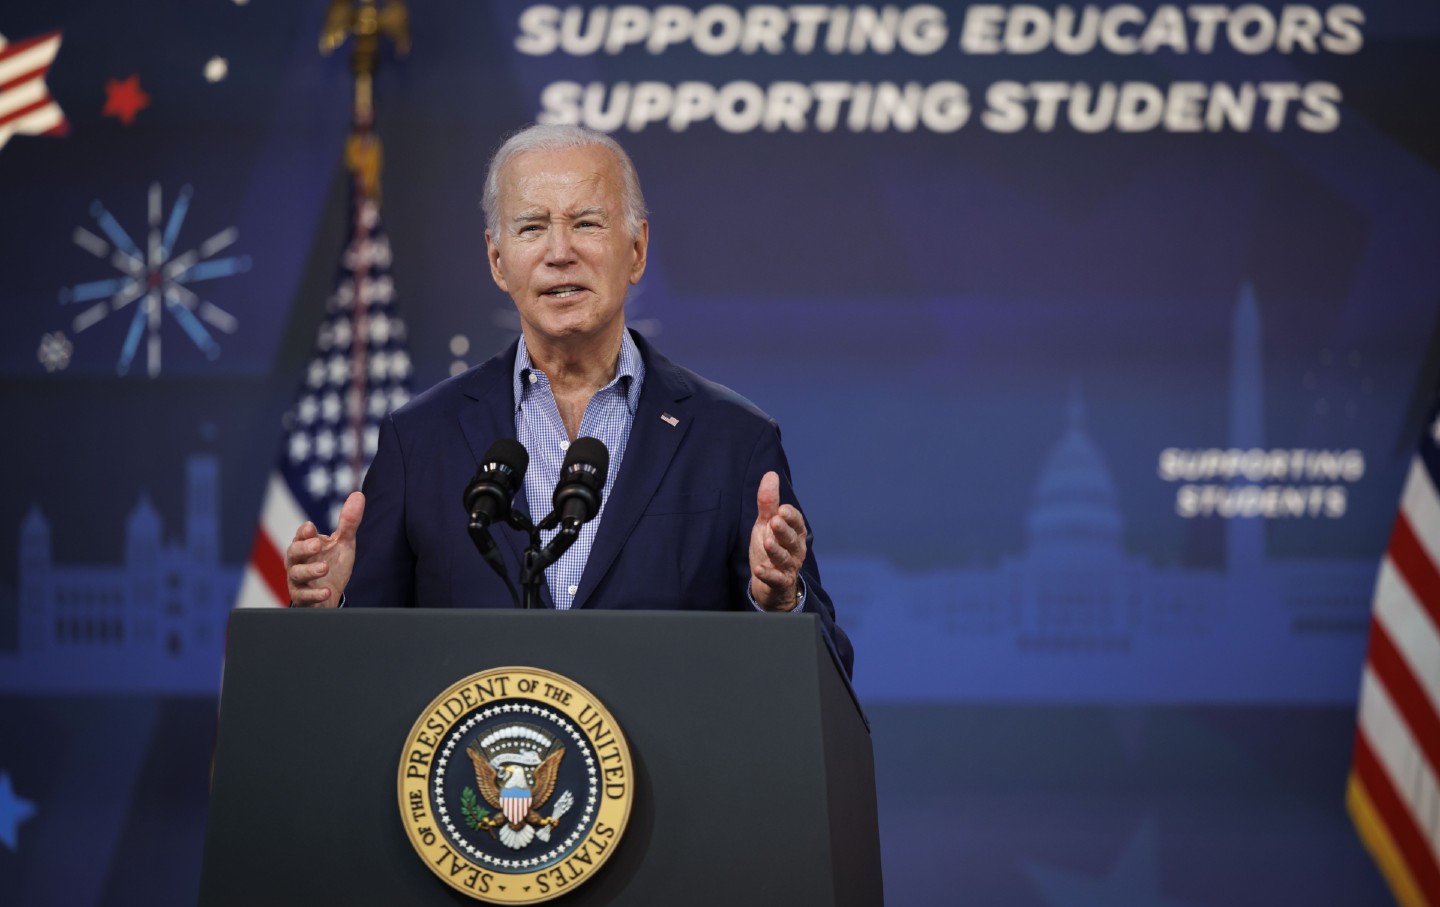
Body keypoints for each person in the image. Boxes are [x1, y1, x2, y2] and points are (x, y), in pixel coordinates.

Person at [284, 123, 853, 677]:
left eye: (586, 223)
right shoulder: (420, 441)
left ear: (636, 249)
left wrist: (778, 603)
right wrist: (330, 613)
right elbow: (364, 671)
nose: (560, 252)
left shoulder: (732, 439)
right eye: (531, 228)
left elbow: (829, 663)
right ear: (497, 260)